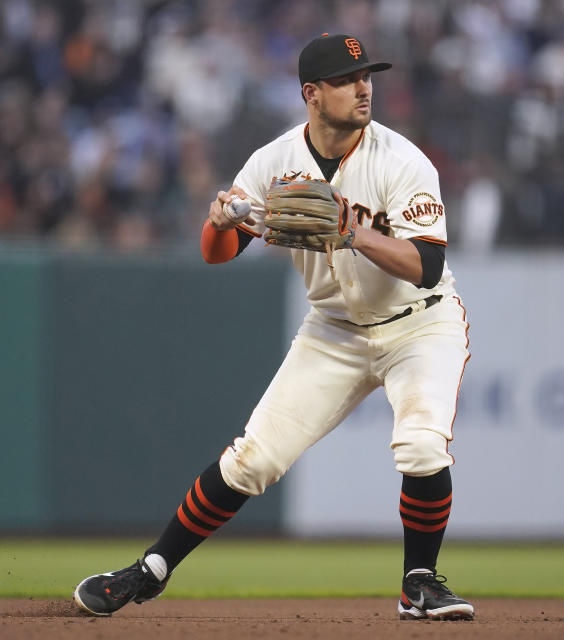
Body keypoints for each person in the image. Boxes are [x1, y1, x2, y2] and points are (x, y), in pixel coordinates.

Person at [73, 33, 474, 621]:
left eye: (367, 76)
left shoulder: (403, 160)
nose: (363, 87)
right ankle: (151, 569)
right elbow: (219, 250)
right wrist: (217, 222)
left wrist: (351, 232)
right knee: (251, 461)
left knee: (419, 444)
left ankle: (420, 584)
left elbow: (428, 265)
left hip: (420, 324)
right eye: (346, 79)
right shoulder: (272, 163)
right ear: (312, 94)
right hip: (334, 329)